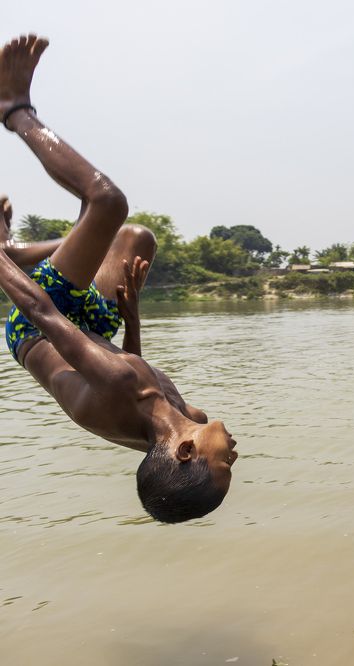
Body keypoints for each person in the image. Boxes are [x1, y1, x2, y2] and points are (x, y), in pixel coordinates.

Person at [0, 34, 236, 522]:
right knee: (136, 239)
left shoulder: (116, 386)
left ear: (187, 453)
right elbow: (135, 369)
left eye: (225, 466)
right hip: (92, 334)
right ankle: (15, 249)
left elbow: (41, 311)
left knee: (107, 202)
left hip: (38, 326)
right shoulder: (184, 418)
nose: (235, 455)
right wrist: (133, 321)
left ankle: (13, 107)